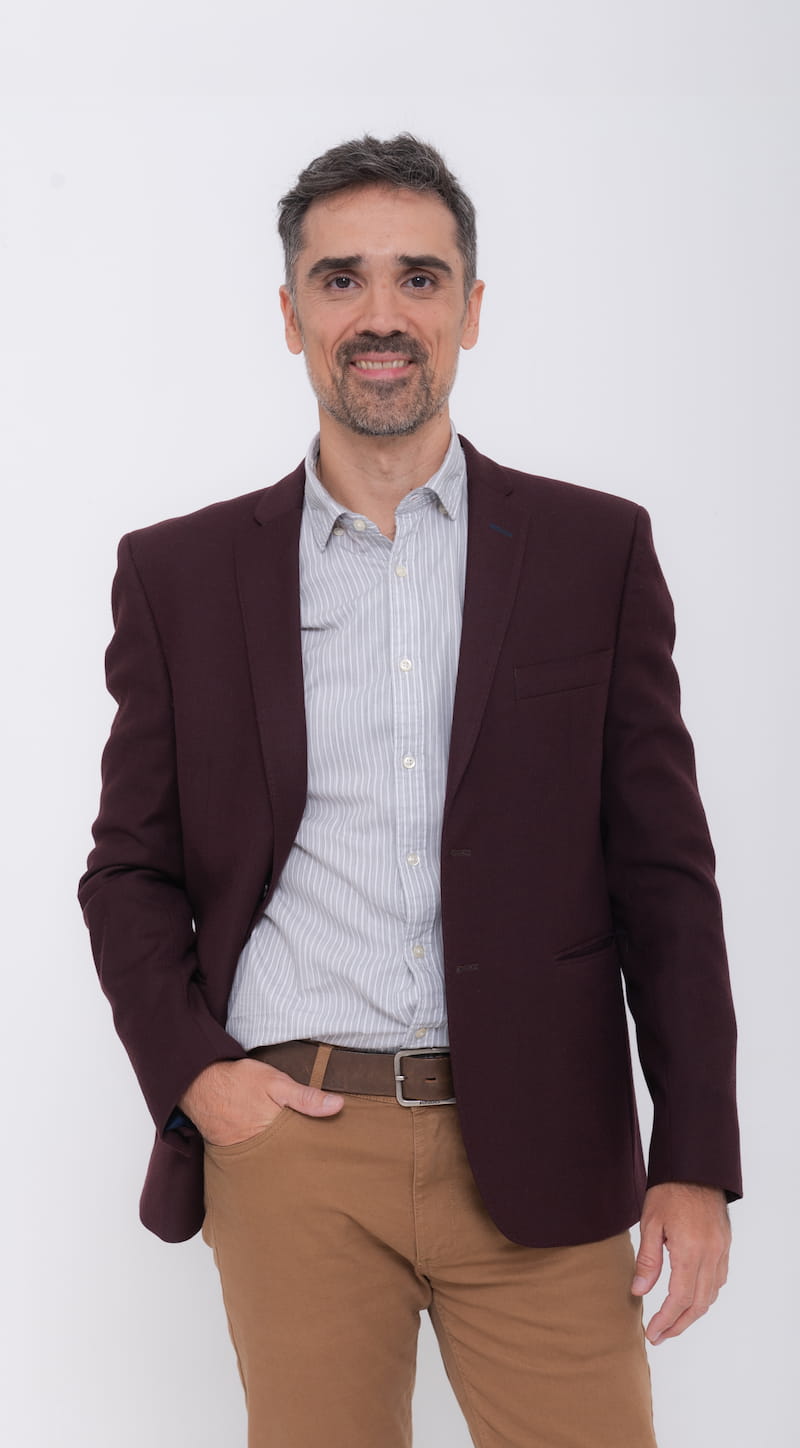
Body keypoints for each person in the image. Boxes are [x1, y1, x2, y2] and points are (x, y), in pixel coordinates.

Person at [79, 134, 741, 1448]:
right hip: (295, 1147)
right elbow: (129, 870)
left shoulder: (593, 552)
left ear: (471, 309)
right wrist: (199, 1075)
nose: (381, 315)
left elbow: (665, 874)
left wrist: (696, 1157)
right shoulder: (179, 575)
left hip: (547, 1143)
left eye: (419, 278)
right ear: (291, 315)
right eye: (341, 280)